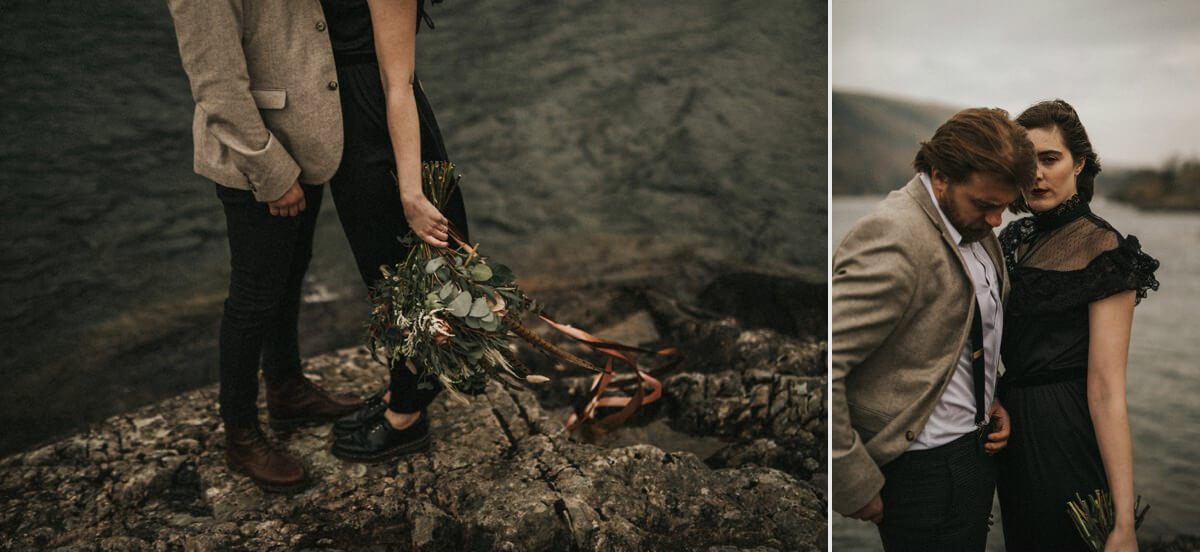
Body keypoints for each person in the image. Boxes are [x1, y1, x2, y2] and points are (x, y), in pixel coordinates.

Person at [165, 1, 363, 492]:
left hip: (303, 138)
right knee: (253, 296)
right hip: (258, 156)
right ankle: (240, 433)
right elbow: (216, 84)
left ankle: (286, 389)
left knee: (291, 272)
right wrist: (270, 173)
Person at [832, 107, 1031, 550]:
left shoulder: (970, 222)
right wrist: (850, 478)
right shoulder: (894, 237)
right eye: (986, 205)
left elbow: (956, 333)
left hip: (971, 448)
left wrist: (986, 398)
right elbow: (828, 360)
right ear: (940, 176)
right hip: (923, 469)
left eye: (1004, 207)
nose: (998, 221)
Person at [995, 100, 1159, 552]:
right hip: (1010, 431)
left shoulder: (1106, 251)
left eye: (1050, 159)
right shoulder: (1012, 240)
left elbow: (1107, 388)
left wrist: (1124, 524)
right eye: (1027, 162)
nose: (1037, 174)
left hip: (1067, 432)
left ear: (1079, 163)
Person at [317, 0, 470, 462]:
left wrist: (411, 193)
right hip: (354, 131)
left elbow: (398, 83)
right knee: (385, 278)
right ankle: (399, 392)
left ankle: (407, 416)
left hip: (383, 133)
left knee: (413, 282)